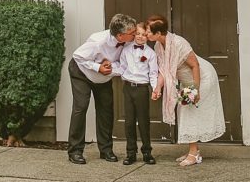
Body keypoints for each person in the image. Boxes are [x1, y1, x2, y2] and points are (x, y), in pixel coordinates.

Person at [146, 14, 225, 167]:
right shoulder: (158, 45)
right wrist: (157, 88)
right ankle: (193, 150)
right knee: (185, 112)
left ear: (158, 33)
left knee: (190, 112)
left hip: (202, 78)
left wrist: (195, 90)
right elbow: (164, 70)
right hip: (186, 81)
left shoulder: (179, 43)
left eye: (149, 31)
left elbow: (195, 65)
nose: (146, 33)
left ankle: (194, 154)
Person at [67, 13, 137, 165]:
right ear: (120, 35)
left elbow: (124, 65)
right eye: (132, 33)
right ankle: (75, 151)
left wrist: (111, 68)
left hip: (104, 77)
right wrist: (98, 67)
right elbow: (78, 56)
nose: (135, 35)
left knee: (106, 110)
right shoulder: (97, 41)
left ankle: (106, 150)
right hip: (81, 73)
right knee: (81, 107)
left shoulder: (129, 43)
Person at [111, 23, 159, 165]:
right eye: (138, 34)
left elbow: (153, 73)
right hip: (128, 88)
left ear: (147, 37)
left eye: (144, 35)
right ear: (134, 34)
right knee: (129, 121)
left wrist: (155, 89)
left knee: (143, 121)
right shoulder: (126, 50)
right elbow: (122, 67)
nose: (140, 37)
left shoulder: (150, 53)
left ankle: (147, 152)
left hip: (142, 89)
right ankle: (130, 153)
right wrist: (110, 69)